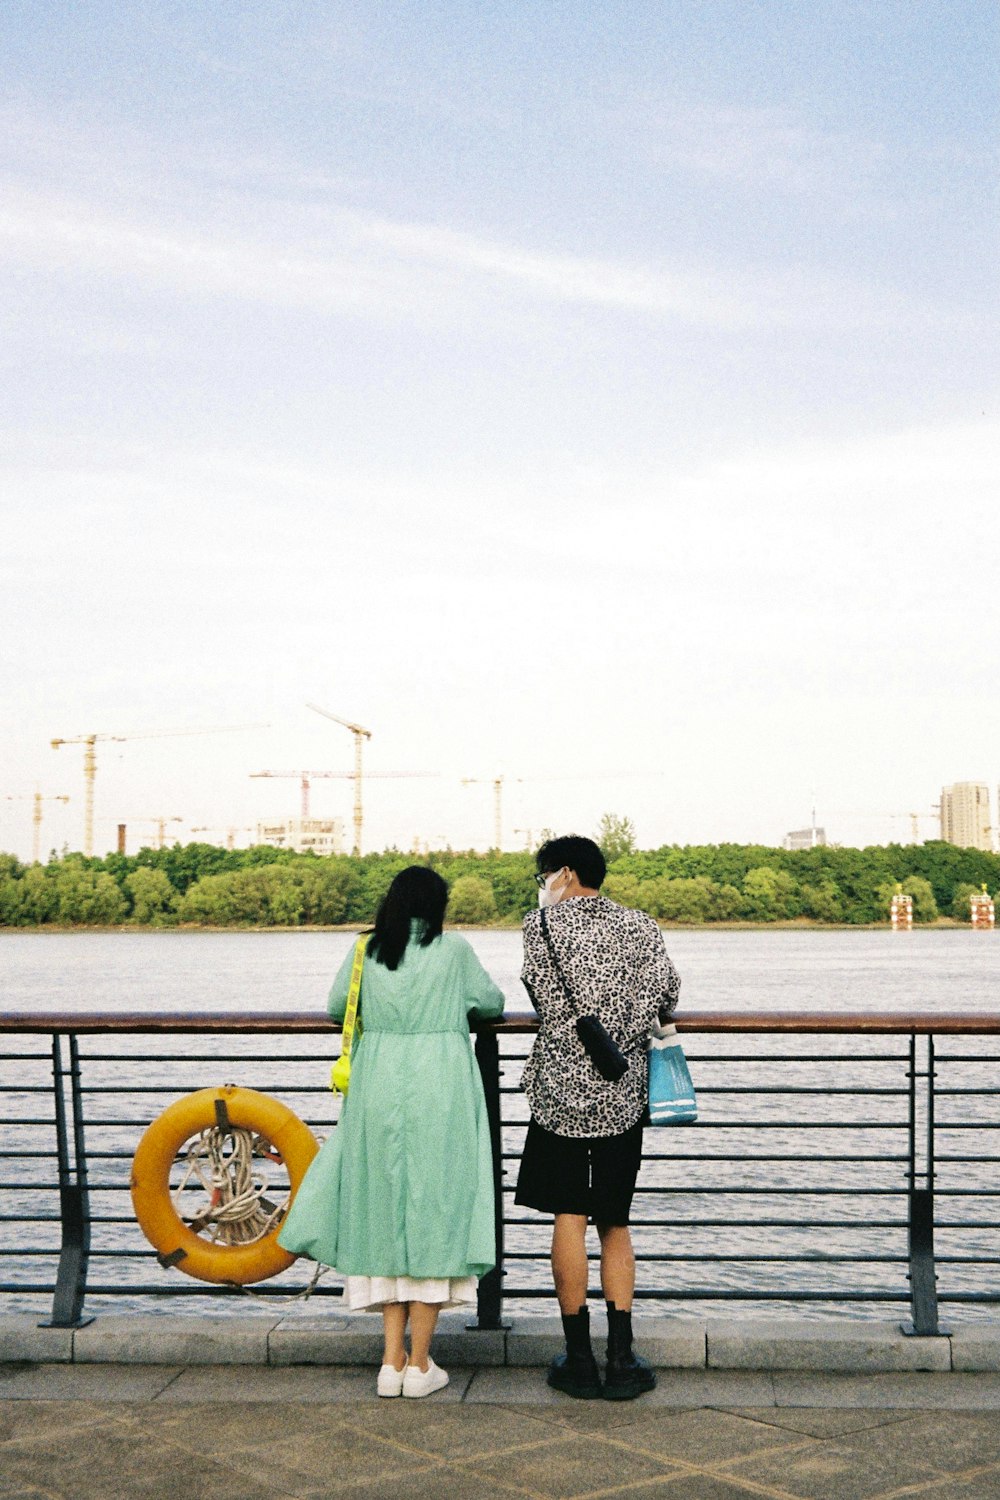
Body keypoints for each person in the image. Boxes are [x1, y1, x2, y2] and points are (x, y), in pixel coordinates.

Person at [278, 866, 506, 1398]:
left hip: (377, 1084)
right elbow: (491, 1003)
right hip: (440, 1087)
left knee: (382, 1210)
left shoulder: (366, 950)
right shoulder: (452, 950)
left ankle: (390, 1362)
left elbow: (338, 1008)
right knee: (435, 1210)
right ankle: (421, 1364)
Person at [515, 834, 680, 1400]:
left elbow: (541, 995)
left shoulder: (539, 929)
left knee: (568, 1214)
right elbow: (667, 990)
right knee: (614, 1219)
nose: (543, 888)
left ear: (563, 874)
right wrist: (625, 1024)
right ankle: (622, 1359)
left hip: (559, 1091)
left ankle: (579, 1359)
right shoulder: (639, 925)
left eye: (543, 877)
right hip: (621, 1089)